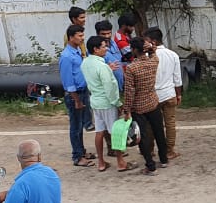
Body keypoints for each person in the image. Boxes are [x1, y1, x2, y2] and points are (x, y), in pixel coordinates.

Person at [81, 34, 129, 172]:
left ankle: (101, 162)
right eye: (103, 46)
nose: (106, 49)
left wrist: (107, 68)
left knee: (99, 131)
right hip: (107, 103)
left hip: (95, 101)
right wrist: (117, 103)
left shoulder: (86, 63)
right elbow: (109, 87)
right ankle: (120, 161)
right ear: (96, 49)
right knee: (115, 132)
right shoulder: (102, 67)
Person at [123, 36, 167, 174]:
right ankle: (164, 159)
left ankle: (150, 164)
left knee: (142, 136)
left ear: (135, 50)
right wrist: (152, 48)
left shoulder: (131, 68)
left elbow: (129, 91)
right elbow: (154, 54)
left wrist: (127, 109)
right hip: (153, 101)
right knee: (159, 131)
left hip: (139, 106)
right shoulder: (153, 61)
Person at [59, 24, 93, 167]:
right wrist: (76, 99)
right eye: (79, 36)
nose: (82, 38)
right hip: (75, 94)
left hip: (83, 92)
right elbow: (68, 81)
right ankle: (77, 156)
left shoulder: (78, 51)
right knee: (76, 126)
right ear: (71, 37)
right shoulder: (66, 56)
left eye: (82, 35)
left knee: (81, 124)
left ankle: (82, 151)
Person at [147, 28, 183, 158]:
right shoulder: (172, 55)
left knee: (151, 124)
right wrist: (178, 94)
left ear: (153, 41)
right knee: (170, 123)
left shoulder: (148, 57)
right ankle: (170, 150)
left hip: (153, 95)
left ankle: (150, 149)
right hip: (169, 93)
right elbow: (177, 78)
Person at [95, 20, 125, 92]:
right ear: (97, 33)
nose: (107, 36)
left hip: (121, 85)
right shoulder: (95, 48)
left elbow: (119, 61)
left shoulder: (113, 43)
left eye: (109, 33)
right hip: (108, 89)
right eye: (103, 34)